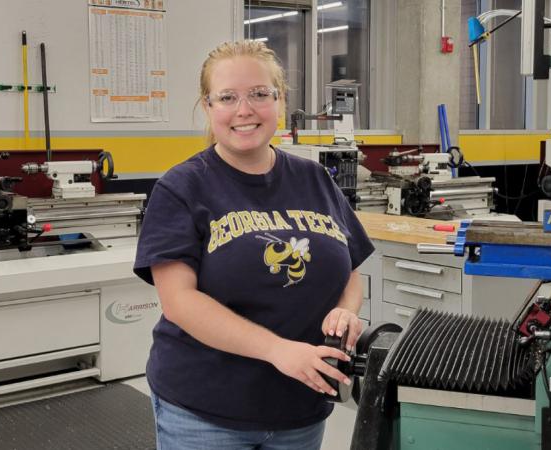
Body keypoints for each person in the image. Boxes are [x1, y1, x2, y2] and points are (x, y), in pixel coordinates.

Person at [133, 40, 375, 450]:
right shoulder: (183, 187)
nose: (244, 109)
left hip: (301, 404)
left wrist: (345, 312)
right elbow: (179, 302)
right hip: (206, 411)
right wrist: (278, 350)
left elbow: (350, 269)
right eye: (227, 97)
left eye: (260, 94)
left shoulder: (314, 178)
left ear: (279, 101)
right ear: (208, 108)